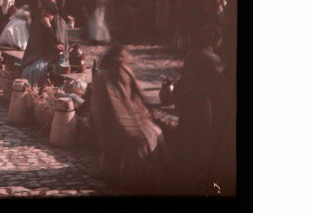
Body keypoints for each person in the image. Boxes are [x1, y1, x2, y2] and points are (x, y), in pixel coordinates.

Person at [90, 44, 169, 193]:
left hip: (133, 116)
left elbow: (137, 95)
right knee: (139, 139)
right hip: (113, 121)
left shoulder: (125, 71)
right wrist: (127, 125)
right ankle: (130, 179)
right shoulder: (104, 76)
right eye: (119, 56)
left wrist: (144, 112)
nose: (122, 59)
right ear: (112, 57)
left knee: (156, 132)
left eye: (124, 56)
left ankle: (152, 177)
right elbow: (104, 107)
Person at [173, 25, 227, 194]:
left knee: (188, 144)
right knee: (203, 146)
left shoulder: (192, 55)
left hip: (189, 105)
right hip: (203, 108)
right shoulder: (213, 59)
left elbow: (182, 83)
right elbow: (221, 87)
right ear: (217, 41)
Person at [21, 0, 67, 88]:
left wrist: (49, 27)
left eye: (46, 13)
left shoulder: (59, 23)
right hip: (40, 53)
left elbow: (59, 44)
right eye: (42, 13)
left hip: (54, 56)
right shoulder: (38, 21)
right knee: (28, 70)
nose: (43, 16)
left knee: (37, 70)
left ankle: (38, 92)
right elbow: (34, 43)